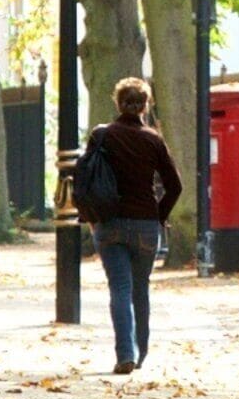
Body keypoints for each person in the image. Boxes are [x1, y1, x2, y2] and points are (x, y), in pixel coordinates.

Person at [75, 77, 184, 374]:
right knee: (141, 290)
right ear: (145, 105)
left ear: (117, 103)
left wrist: (92, 218)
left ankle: (126, 353)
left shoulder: (102, 136)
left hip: (109, 223)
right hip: (146, 224)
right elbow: (175, 186)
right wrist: (158, 217)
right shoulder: (154, 140)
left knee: (120, 289)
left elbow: (86, 179)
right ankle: (142, 351)